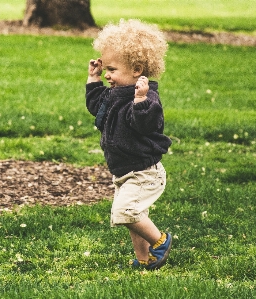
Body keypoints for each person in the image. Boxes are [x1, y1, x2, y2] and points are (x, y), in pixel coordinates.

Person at [86, 19, 172, 270]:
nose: (107, 75)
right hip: (124, 170)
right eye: (104, 70)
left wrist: (140, 101)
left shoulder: (146, 97)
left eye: (111, 69)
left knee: (125, 212)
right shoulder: (112, 93)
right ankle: (144, 259)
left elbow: (146, 124)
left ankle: (161, 240)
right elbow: (95, 107)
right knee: (133, 216)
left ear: (136, 69)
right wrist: (93, 80)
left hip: (144, 172)